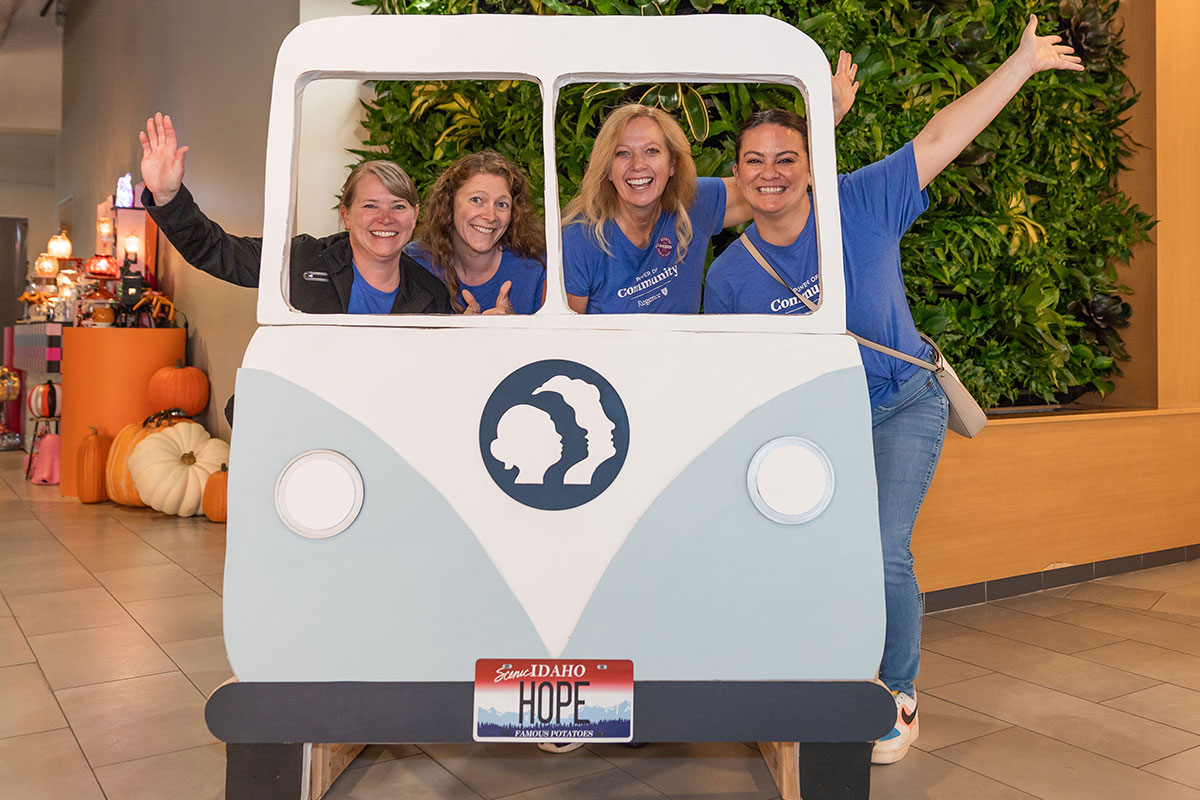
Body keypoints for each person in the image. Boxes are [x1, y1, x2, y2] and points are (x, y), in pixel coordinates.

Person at [704, 16, 1082, 765]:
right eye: (754, 161)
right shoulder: (729, 277)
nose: (770, 172)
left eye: (787, 157)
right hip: (816, 428)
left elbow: (943, 136)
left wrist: (1022, 63)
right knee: (804, 551)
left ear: (812, 163)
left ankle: (897, 692)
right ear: (738, 176)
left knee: (882, 551)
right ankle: (811, 670)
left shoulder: (862, 202)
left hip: (902, 402)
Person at [562, 53, 860, 315]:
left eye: (652, 151)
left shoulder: (693, 202)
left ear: (672, 164)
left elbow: (770, 183)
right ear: (606, 169)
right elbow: (558, 339)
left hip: (684, 372)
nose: (638, 165)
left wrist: (824, 120)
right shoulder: (580, 238)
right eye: (622, 154)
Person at [138, 112, 450, 316]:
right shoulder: (303, 260)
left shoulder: (431, 293)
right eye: (370, 205)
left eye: (398, 206)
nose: (386, 218)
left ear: (414, 215)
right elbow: (216, 250)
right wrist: (168, 196)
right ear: (346, 215)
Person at [406, 150, 546, 315]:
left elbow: (556, 340)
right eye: (477, 200)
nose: (490, 216)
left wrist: (514, 327)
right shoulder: (415, 262)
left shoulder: (536, 267)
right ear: (449, 202)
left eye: (502, 204)